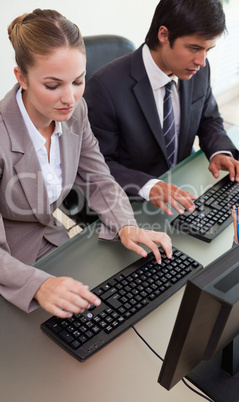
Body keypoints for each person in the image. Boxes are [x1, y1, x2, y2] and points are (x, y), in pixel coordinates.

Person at [0, 9, 172, 318]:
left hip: (51, 240)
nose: (69, 97)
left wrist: (127, 225)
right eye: (53, 86)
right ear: (21, 78)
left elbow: (97, 177)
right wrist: (36, 284)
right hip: (8, 261)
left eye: (78, 81)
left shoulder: (76, 112)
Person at [84, 0, 239, 218]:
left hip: (183, 188)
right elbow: (97, 165)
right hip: (133, 203)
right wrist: (149, 186)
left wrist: (219, 151)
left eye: (208, 50)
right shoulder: (105, 87)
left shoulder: (198, 69)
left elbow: (208, 119)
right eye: (194, 48)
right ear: (163, 35)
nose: (201, 61)